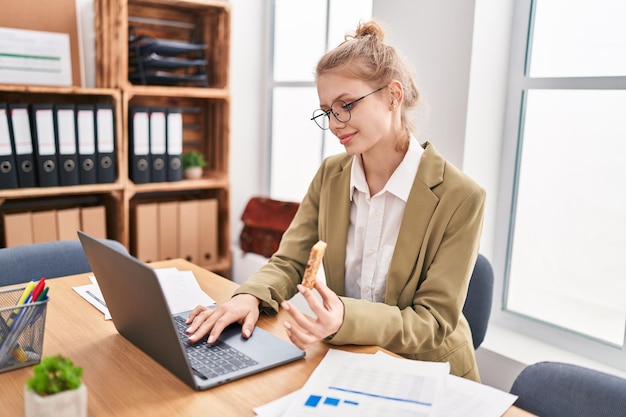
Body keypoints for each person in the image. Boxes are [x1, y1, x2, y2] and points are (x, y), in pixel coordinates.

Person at [186, 20, 485, 381]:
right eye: (327, 110)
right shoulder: (331, 175)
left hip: (428, 373)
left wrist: (344, 317)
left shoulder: (461, 197)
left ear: (393, 96)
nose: (335, 124)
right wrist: (248, 297)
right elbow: (288, 260)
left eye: (346, 105)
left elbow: (432, 322)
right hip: (351, 361)